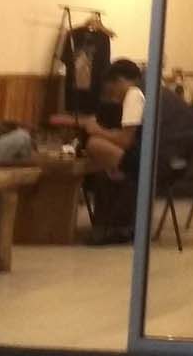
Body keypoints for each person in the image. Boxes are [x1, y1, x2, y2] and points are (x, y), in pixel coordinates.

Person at [81, 58, 146, 246]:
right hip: (144, 154)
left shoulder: (133, 95)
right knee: (101, 159)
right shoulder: (142, 92)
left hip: (140, 159)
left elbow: (126, 140)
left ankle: (110, 225)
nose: (112, 95)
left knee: (94, 144)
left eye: (112, 89)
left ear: (119, 81)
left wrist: (96, 130)